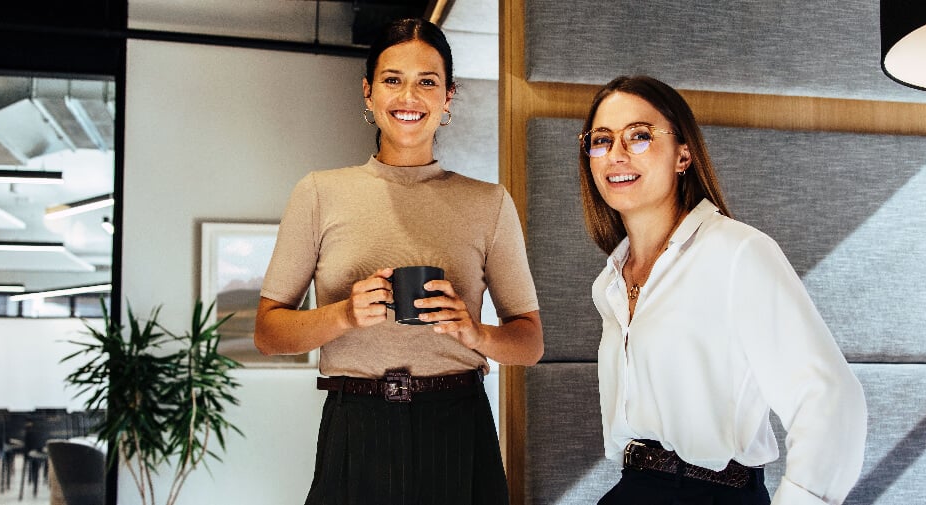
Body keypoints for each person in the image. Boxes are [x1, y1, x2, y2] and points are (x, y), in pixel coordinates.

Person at [253, 18, 543, 505]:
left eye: (427, 82)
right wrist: (344, 314)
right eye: (392, 80)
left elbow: (529, 342)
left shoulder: (489, 203)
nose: (409, 97)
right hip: (355, 423)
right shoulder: (319, 193)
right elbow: (267, 333)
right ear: (368, 93)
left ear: (448, 97)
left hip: (459, 421)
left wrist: (475, 332)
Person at [577, 75, 867, 505]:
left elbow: (829, 398)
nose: (616, 154)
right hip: (632, 489)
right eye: (601, 140)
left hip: (711, 493)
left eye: (640, 135)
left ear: (683, 155)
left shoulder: (737, 252)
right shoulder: (611, 282)